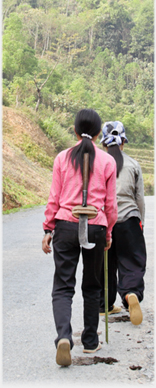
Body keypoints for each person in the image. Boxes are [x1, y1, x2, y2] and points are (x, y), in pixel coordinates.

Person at [42, 109, 118, 366]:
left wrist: (47, 229)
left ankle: (64, 336)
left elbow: (54, 198)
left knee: (63, 286)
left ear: (74, 130)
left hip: (65, 224)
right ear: (99, 134)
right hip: (95, 224)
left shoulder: (62, 158)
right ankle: (89, 341)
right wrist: (108, 233)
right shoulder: (108, 161)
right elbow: (110, 205)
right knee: (93, 285)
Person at [100, 120, 147, 325]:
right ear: (124, 142)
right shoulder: (133, 165)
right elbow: (140, 199)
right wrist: (140, 223)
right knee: (132, 260)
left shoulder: (98, 164)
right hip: (129, 220)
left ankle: (105, 305)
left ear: (103, 144)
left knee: (105, 264)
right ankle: (130, 294)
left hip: (103, 223)